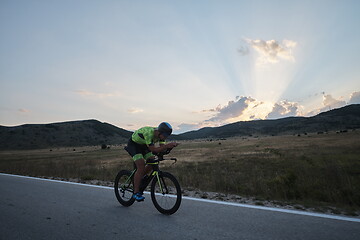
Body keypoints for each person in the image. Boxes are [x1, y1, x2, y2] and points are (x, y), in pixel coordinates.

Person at [125, 122, 179, 202]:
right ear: (159, 132)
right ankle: (136, 193)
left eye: (167, 136)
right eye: (164, 135)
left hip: (144, 145)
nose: (165, 138)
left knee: (152, 162)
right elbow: (153, 149)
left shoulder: (161, 136)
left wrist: (169, 148)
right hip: (134, 145)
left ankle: (140, 177)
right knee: (141, 166)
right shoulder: (149, 133)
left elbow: (161, 148)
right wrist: (167, 146)